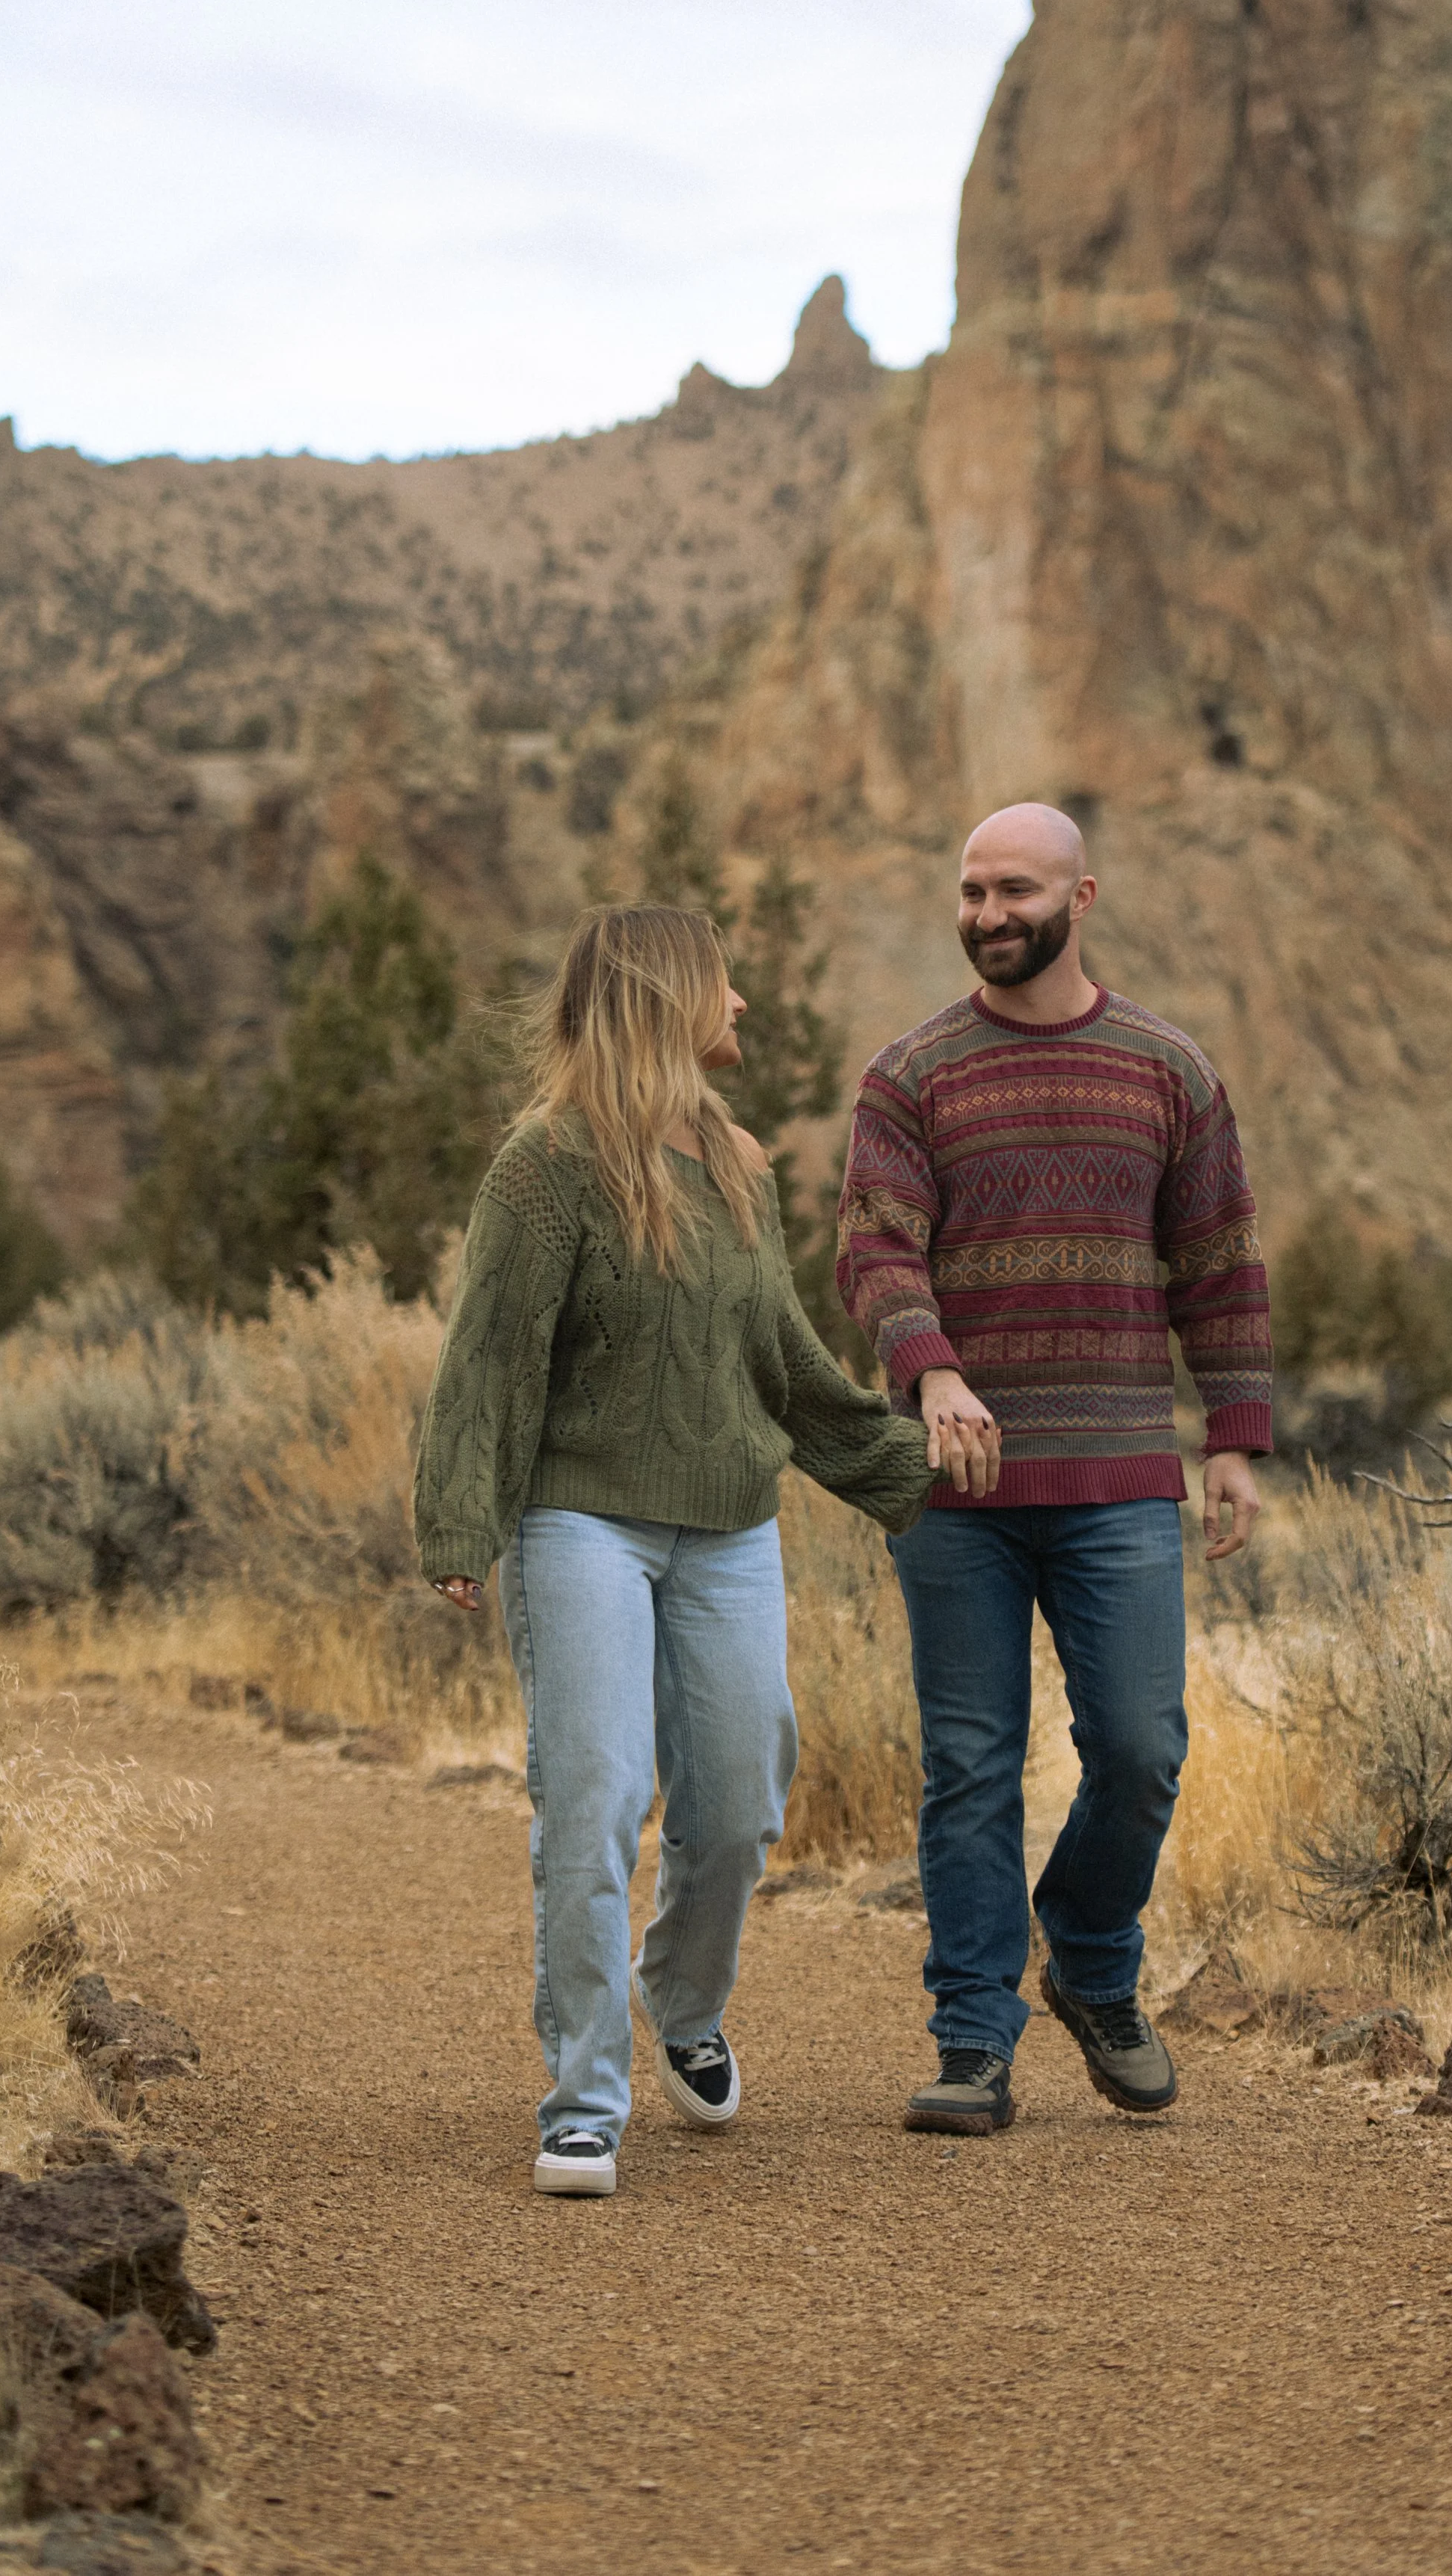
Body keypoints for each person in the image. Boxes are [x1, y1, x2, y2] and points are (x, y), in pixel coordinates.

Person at [414, 905, 955, 2197]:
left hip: (728, 1523)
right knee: (594, 1793)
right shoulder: (542, 1167)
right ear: (665, 1000)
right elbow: (488, 1356)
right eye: (724, 987)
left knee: (740, 1791)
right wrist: (461, 1520)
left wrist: (902, 1463)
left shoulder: (737, 1164)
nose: (744, 1009)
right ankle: (586, 2094)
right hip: (580, 1516)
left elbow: (774, 1353)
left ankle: (680, 1992)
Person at [835, 804, 1273, 2136]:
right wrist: (934, 1371)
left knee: (1141, 1749)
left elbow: (1221, 1265)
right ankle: (973, 2036)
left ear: (1082, 895)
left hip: (1120, 1478)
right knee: (970, 1763)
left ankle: (1089, 1959)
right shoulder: (910, 1075)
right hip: (956, 1492)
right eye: (969, 890)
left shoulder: (1167, 1068)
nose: (985, 913)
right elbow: (873, 1252)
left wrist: (1237, 1440)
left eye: (1012, 889)